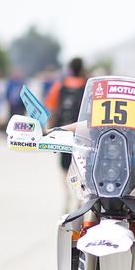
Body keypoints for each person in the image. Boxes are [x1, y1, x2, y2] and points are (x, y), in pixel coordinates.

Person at [45, 57, 88, 212]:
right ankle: (79, 196)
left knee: (64, 166)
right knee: (81, 165)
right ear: (82, 68)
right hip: (82, 132)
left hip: (64, 130)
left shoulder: (60, 85)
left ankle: (67, 193)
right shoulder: (88, 85)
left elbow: (50, 105)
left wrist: (51, 127)